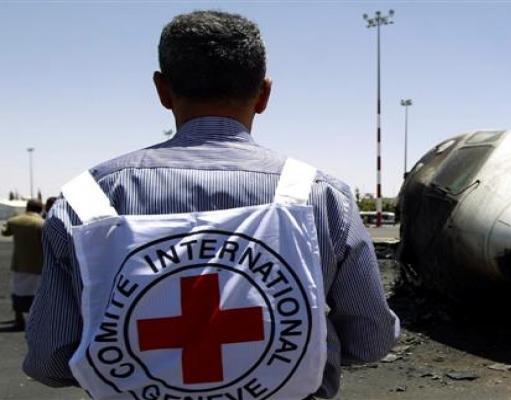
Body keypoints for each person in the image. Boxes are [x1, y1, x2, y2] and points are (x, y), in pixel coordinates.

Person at [24, 11, 398, 399]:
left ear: (162, 90)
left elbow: (50, 360)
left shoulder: (86, 201)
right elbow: (370, 340)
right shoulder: (322, 196)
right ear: (264, 94)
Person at [1, 199, 45, 331]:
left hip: (19, 263)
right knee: (37, 292)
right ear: (40, 209)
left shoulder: (15, 221)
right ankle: (36, 319)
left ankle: (18, 318)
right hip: (38, 264)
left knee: (18, 290)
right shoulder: (42, 223)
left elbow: (5, 232)